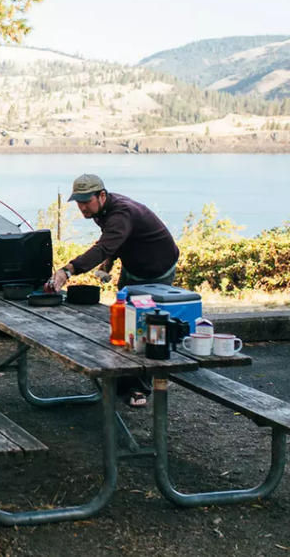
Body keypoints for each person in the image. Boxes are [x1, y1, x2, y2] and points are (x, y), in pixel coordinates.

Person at [51, 173, 180, 408]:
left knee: (143, 327)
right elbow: (115, 240)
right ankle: (123, 382)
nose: (82, 208)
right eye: (78, 202)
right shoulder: (103, 210)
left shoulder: (121, 213)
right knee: (123, 324)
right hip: (134, 266)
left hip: (156, 268)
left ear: (101, 195)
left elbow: (103, 246)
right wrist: (109, 263)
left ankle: (139, 389)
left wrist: (67, 270)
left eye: (86, 202)